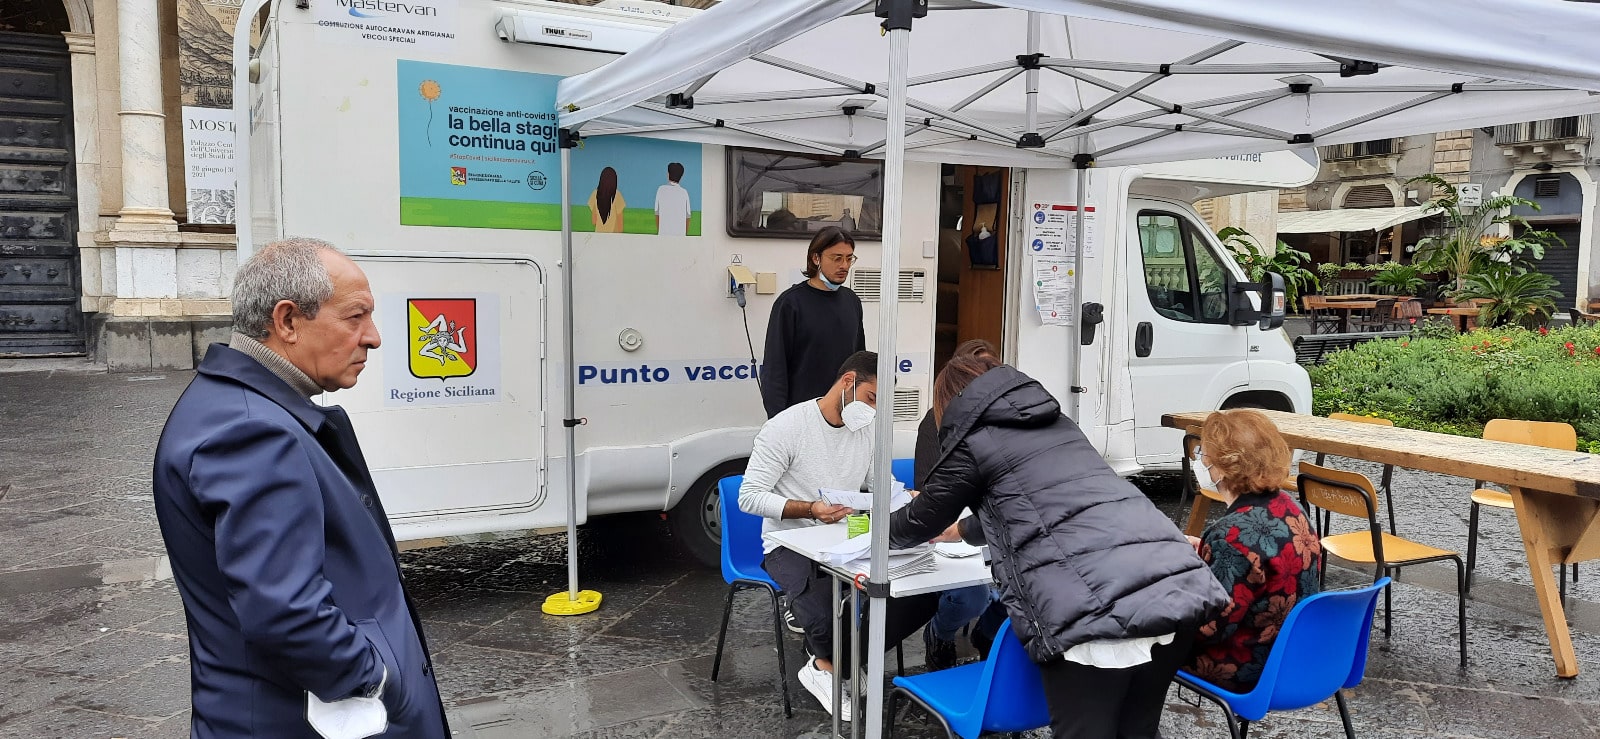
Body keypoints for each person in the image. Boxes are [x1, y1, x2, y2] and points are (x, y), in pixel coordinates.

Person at [152, 238, 449, 738]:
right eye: (355, 317)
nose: (373, 337)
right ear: (287, 321)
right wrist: (375, 677)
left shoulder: (241, 409)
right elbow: (286, 611)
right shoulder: (252, 431)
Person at [889, 354, 1228, 739]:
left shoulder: (974, 441)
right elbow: (1037, 505)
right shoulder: (1059, 424)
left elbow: (917, 522)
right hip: (1170, 587)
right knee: (1138, 730)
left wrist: (876, 530)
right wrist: (964, 531)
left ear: (949, 403)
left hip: (1092, 611)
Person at [739, 351, 941, 721]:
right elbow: (749, 497)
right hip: (789, 542)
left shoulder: (866, 429)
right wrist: (810, 508)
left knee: (920, 596)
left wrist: (906, 497)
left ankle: (832, 666)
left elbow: (878, 483)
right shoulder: (787, 427)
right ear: (848, 382)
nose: (872, 411)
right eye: (871, 398)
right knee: (820, 611)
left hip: (847, 537)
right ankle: (833, 667)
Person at [1184, 409, 1323, 693]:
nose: (1199, 461)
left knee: (1136, 647)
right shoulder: (1290, 506)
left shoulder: (1230, 536)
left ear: (1223, 466)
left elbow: (1208, 629)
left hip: (1248, 667)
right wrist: (1208, 556)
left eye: (1203, 454)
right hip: (1298, 656)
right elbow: (1260, 567)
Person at [914, 339, 1001, 670]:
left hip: (996, 526)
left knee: (1025, 590)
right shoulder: (934, 422)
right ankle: (941, 633)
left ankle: (989, 637)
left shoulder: (1005, 420)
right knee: (972, 595)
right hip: (954, 526)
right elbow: (927, 489)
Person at [761, 226, 866, 419]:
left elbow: (858, 362)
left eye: (849, 258)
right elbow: (775, 370)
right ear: (816, 258)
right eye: (837, 258)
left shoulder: (852, 301)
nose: (844, 265)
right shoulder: (790, 303)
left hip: (842, 416)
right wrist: (778, 421)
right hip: (802, 416)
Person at [654, 161, 692, 236]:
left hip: (663, 235)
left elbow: (657, 214)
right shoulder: (684, 193)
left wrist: (661, 231)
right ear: (681, 176)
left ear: (668, 175)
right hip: (680, 236)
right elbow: (688, 218)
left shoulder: (661, 190)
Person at [589, 166, 625, 233]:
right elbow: (620, 224)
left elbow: (593, 221)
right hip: (613, 237)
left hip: (598, 235)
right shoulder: (617, 195)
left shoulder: (594, 194)